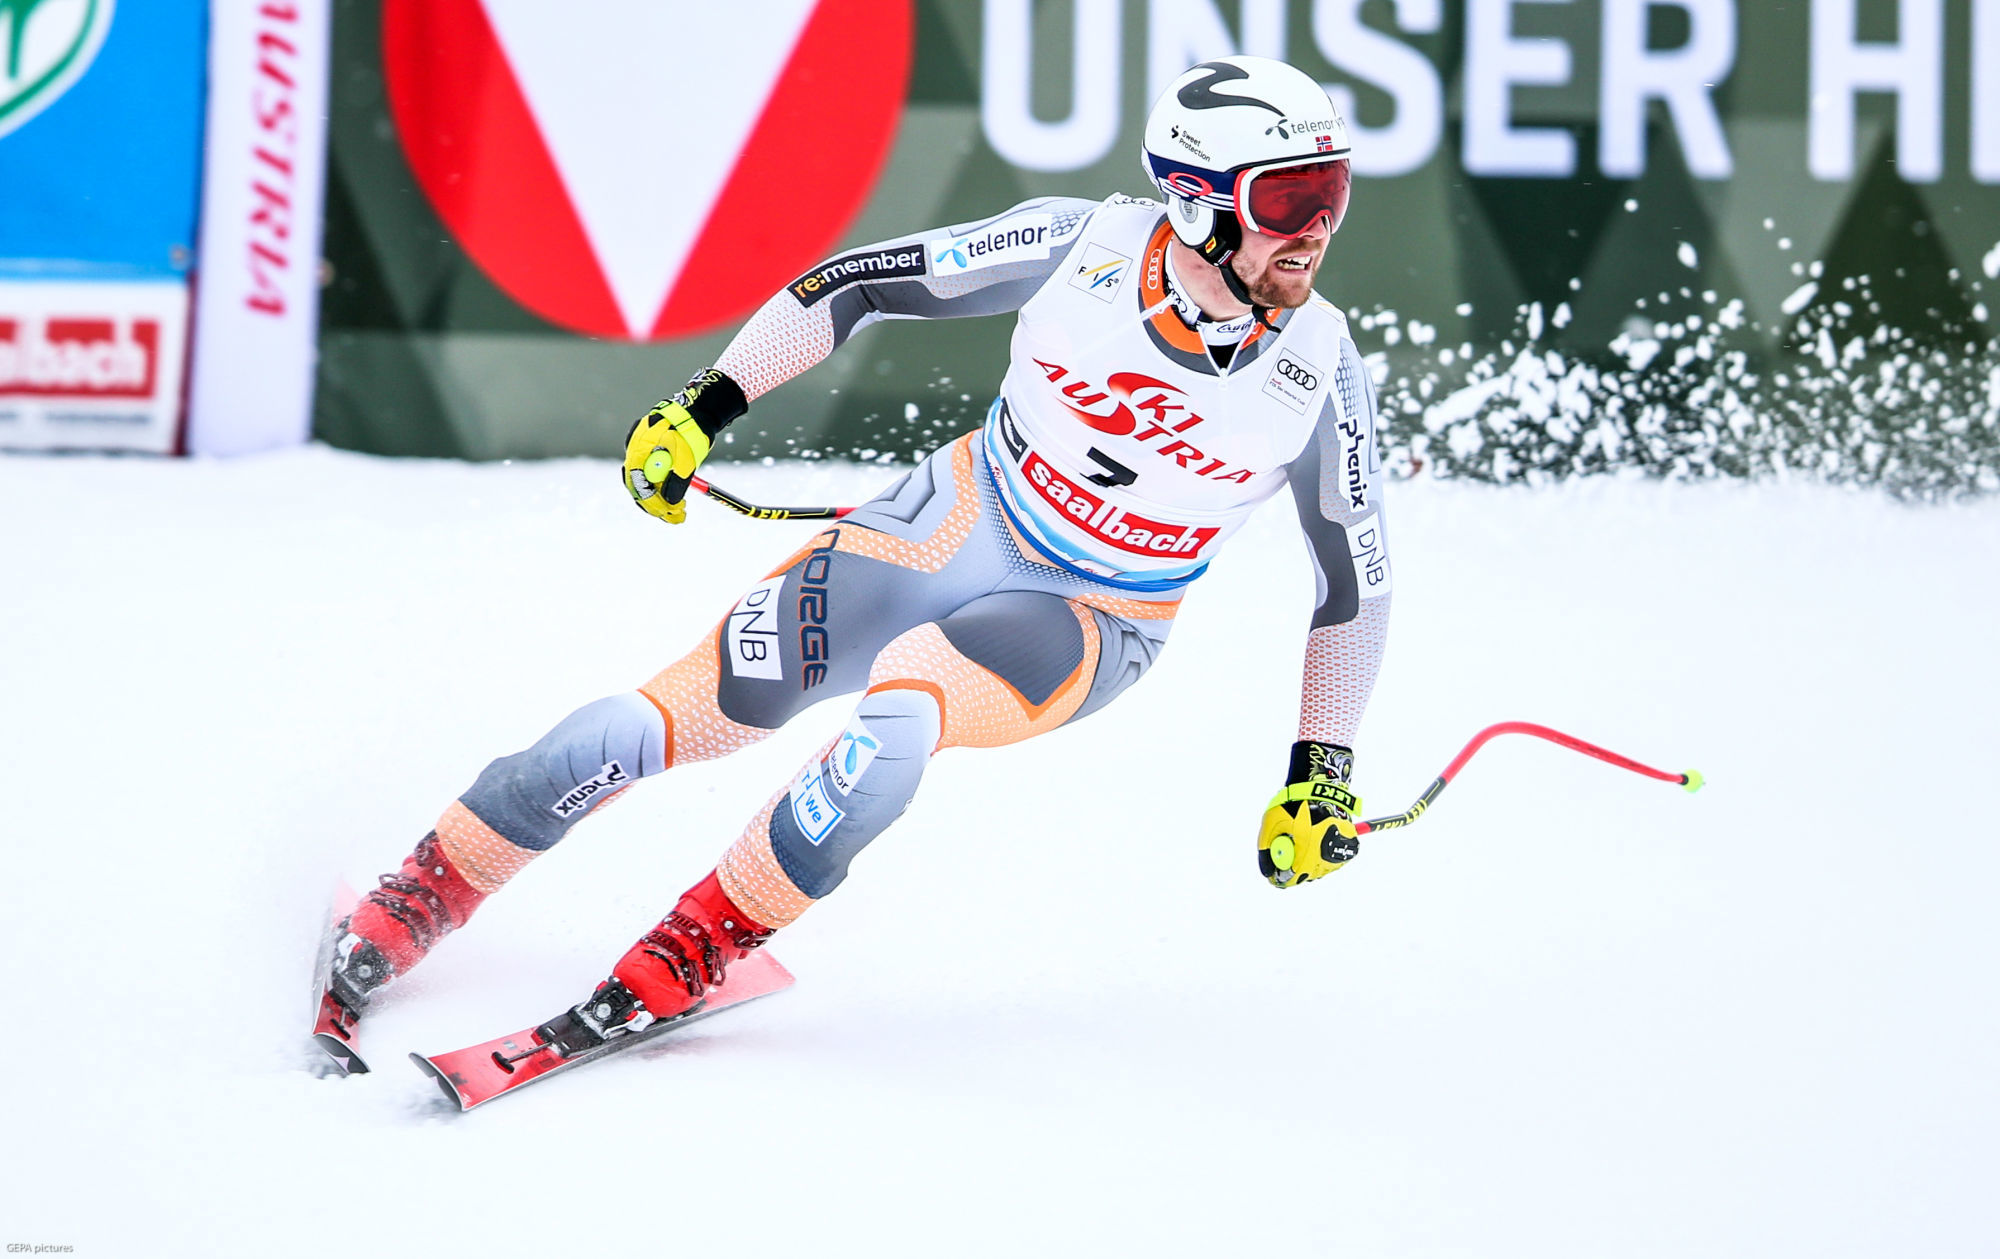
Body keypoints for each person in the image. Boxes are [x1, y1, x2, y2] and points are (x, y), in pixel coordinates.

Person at [322, 56, 1393, 1048]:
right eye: (1288, 200)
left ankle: (705, 935)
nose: (1317, 230)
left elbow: (1354, 584)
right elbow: (852, 281)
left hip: (1092, 619)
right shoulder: (1082, 248)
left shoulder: (1321, 369)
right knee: (673, 715)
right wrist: (705, 405)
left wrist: (1323, 773)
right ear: (1197, 202)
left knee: (901, 713)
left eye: (1332, 194)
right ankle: (432, 882)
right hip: (951, 522)